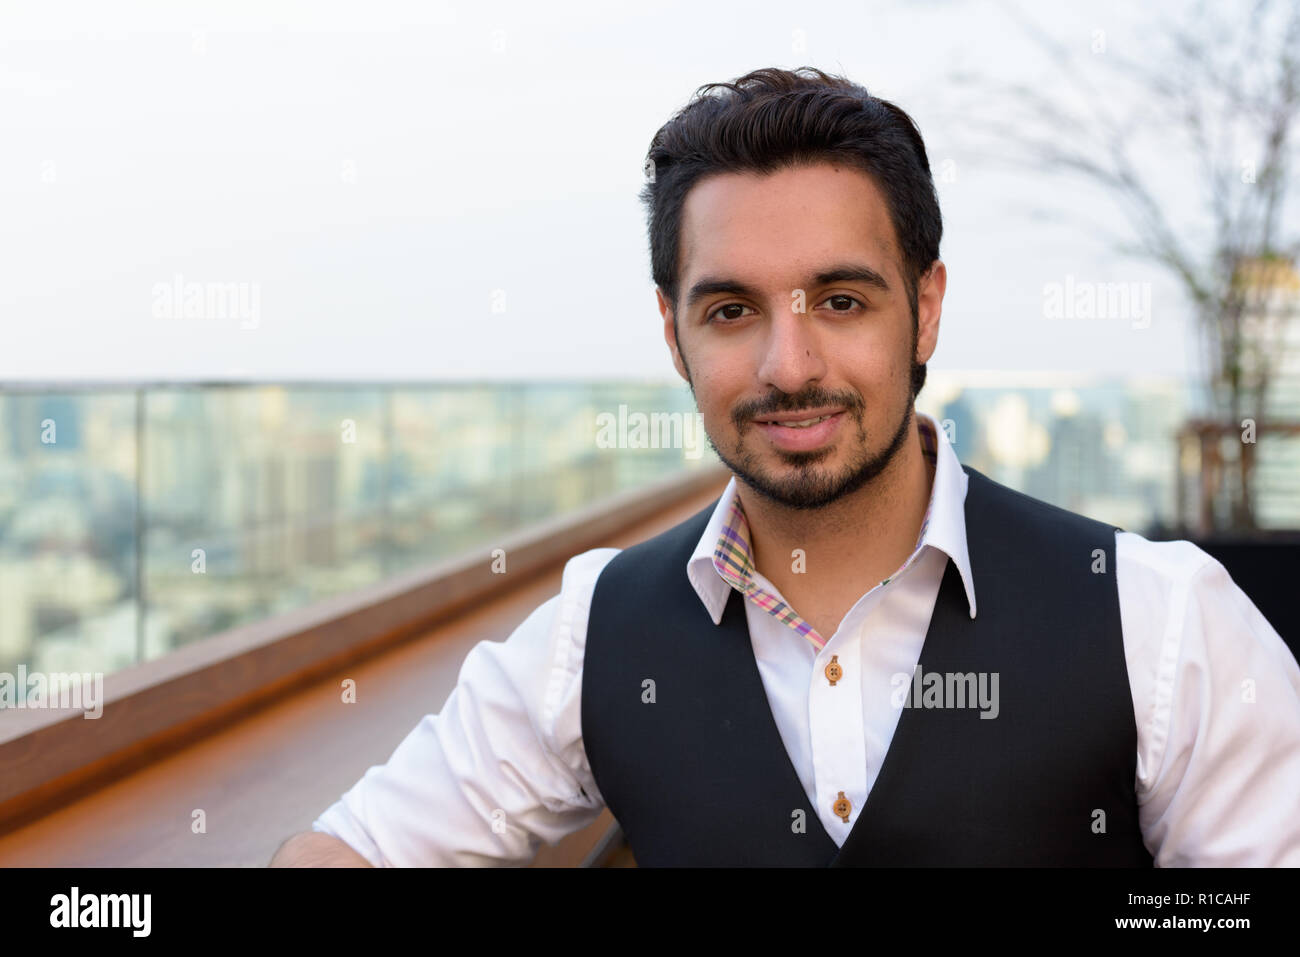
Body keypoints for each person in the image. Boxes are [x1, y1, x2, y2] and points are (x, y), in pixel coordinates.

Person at [270, 66, 1300, 867]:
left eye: (840, 302)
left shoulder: (1161, 619)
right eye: (731, 311)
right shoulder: (599, 631)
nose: (788, 366)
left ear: (925, 308)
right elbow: (356, 846)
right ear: (674, 339)